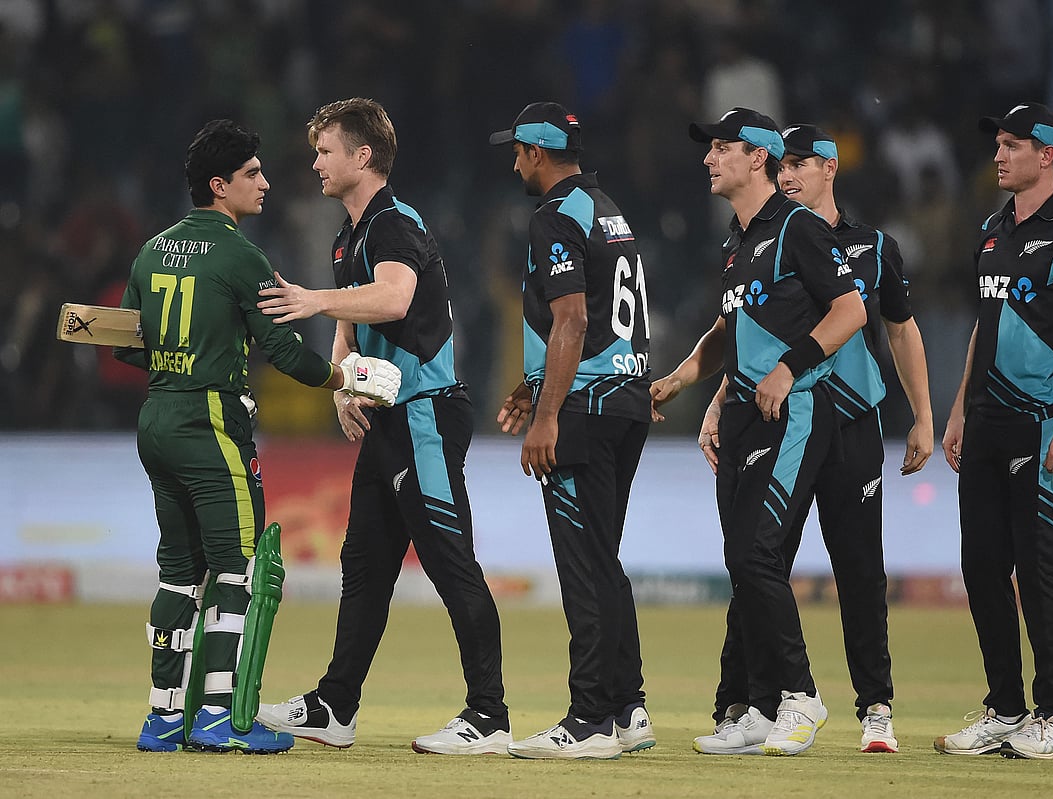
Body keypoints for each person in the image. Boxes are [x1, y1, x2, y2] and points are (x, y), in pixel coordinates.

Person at [119, 119, 401, 754]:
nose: (266, 183)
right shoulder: (241, 256)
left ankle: (163, 719)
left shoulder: (150, 251)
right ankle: (217, 717)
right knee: (236, 570)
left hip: (157, 422)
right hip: (212, 425)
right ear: (220, 186)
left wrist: (187, 354)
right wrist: (345, 375)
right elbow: (282, 350)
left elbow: (129, 346)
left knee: (176, 573)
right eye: (252, 173)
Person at [254, 98, 510, 755]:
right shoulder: (352, 233)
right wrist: (343, 384)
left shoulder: (394, 224)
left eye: (326, 150)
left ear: (362, 157)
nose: (315, 162)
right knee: (365, 565)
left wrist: (311, 298)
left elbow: (393, 297)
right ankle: (335, 706)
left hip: (424, 412)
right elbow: (351, 322)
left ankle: (490, 714)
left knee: (451, 563)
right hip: (388, 414)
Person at [691, 124, 934, 755]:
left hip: (849, 419)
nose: (790, 174)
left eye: (801, 163)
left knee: (856, 569)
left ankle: (874, 710)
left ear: (829, 168)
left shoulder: (871, 247)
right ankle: (749, 704)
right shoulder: (761, 240)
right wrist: (718, 399)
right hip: (784, 414)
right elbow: (748, 327)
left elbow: (900, 332)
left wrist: (924, 415)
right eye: (786, 163)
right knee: (753, 559)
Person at [650, 107, 866, 756]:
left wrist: (788, 368)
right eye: (709, 148)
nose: (709, 158)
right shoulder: (736, 242)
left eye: (723, 148)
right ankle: (762, 708)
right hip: (742, 414)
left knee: (755, 556)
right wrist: (693, 382)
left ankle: (802, 696)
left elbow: (850, 309)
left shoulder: (798, 228)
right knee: (742, 563)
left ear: (759, 157)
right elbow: (733, 329)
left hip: (793, 411)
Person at [936, 103, 1053, 760]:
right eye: (997, 144)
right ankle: (1006, 708)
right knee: (981, 566)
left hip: (1043, 425)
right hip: (986, 421)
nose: (998, 155)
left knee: (1039, 569)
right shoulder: (990, 233)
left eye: (1012, 145)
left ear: (1048, 155)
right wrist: (958, 408)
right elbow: (986, 328)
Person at [489, 101, 656, 760]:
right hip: (625, 401)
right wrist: (535, 385)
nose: (514, 162)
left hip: (583, 411)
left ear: (536, 153)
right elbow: (613, 319)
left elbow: (574, 319)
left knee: (584, 569)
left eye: (518, 151)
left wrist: (548, 413)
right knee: (604, 563)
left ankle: (588, 719)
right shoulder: (607, 208)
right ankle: (626, 706)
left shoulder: (554, 216)